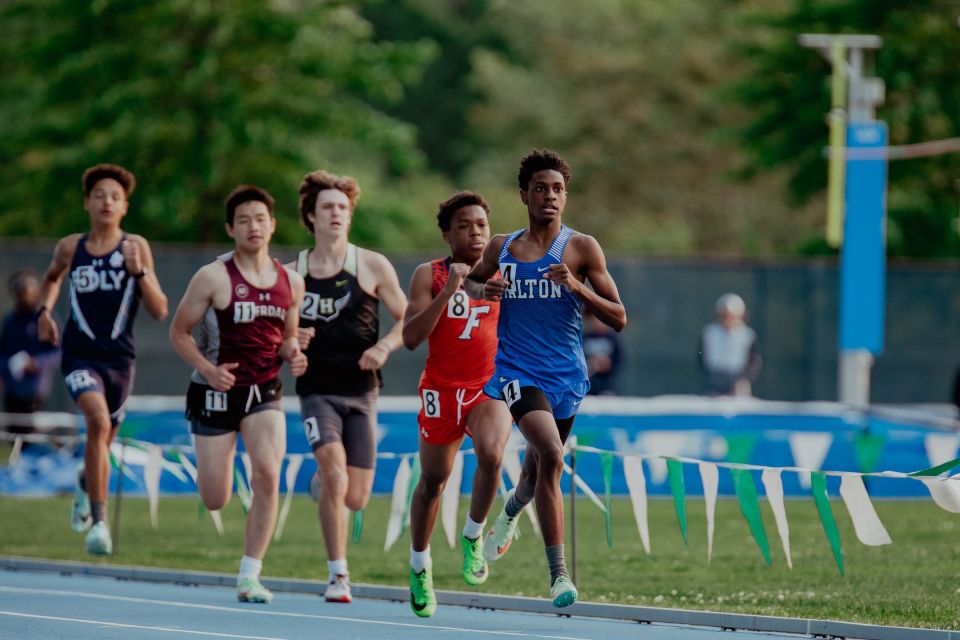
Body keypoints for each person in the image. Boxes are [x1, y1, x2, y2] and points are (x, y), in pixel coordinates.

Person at [464, 149, 626, 608]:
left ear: (565, 196)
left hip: (567, 379)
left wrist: (576, 286)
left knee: (537, 474)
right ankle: (559, 576)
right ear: (524, 195)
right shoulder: (503, 246)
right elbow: (473, 282)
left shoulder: (582, 248)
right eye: (540, 189)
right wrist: (485, 288)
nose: (549, 197)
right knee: (551, 453)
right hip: (517, 372)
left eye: (557, 190)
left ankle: (511, 512)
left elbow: (619, 317)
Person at [169, 185, 307, 604]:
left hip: (264, 390)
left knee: (268, 473)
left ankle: (250, 573)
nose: (253, 227)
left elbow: (286, 340)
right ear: (231, 228)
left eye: (260, 219)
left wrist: (295, 353)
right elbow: (178, 333)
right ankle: (215, 469)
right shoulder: (212, 276)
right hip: (214, 391)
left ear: (272, 225)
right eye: (244, 220)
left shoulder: (291, 281)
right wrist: (208, 370)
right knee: (216, 497)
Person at [36, 163, 168, 556]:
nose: (106, 202)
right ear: (87, 204)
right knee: (95, 422)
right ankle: (100, 523)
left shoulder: (135, 246)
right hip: (79, 356)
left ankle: (84, 481)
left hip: (120, 362)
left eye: (115, 197)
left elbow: (159, 309)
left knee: (102, 442)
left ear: (124, 206)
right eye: (99, 195)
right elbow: (52, 277)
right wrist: (45, 311)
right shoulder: (70, 247)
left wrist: (139, 271)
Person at [292, 170, 406, 604]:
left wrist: (385, 347)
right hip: (316, 390)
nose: (336, 214)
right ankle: (339, 575)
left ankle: (324, 487)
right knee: (336, 473)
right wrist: (290, 344)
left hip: (362, 391)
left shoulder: (371, 264)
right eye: (327, 207)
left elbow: (408, 318)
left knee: (355, 498)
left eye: (343, 207)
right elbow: (269, 330)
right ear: (311, 216)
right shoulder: (293, 273)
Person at [402, 191, 513, 618]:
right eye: (465, 226)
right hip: (441, 391)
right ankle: (419, 564)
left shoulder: (506, 272)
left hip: (487, 385)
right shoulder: (427, 275)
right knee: (433, 482)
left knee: (491, 453)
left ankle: (473, 538)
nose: (475, 232)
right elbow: (411, 338)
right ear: (448, 235)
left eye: (482, 225)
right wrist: (450, 288)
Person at [1, 269, 61, 441]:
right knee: (13, 438)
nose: (23, 295)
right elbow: (3, 353)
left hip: (35, 390)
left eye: (27, 290)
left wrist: (36, 363)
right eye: (19, 292)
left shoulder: (45, 318)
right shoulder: (10, 321)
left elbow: (57, 352)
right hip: (12, 390)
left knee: (31, 438)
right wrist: (5, 369)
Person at [698, 293, 761, 397]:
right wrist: (710, 377)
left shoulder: (748, 335)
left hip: (738, 386)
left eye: (732, 316)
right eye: (724, 315)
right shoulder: (709, 333)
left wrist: (743, 379)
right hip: (713, 385)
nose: (728, 319)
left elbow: (754, 361)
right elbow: (701, 356)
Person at [583, 310, 624, 396]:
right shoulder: (584, 338)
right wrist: (590, 364)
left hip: (607, 386)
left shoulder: (613, 339)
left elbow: (619, 359)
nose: (598, 322)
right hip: (586, 386)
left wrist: (608, 363)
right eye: (594, 318)